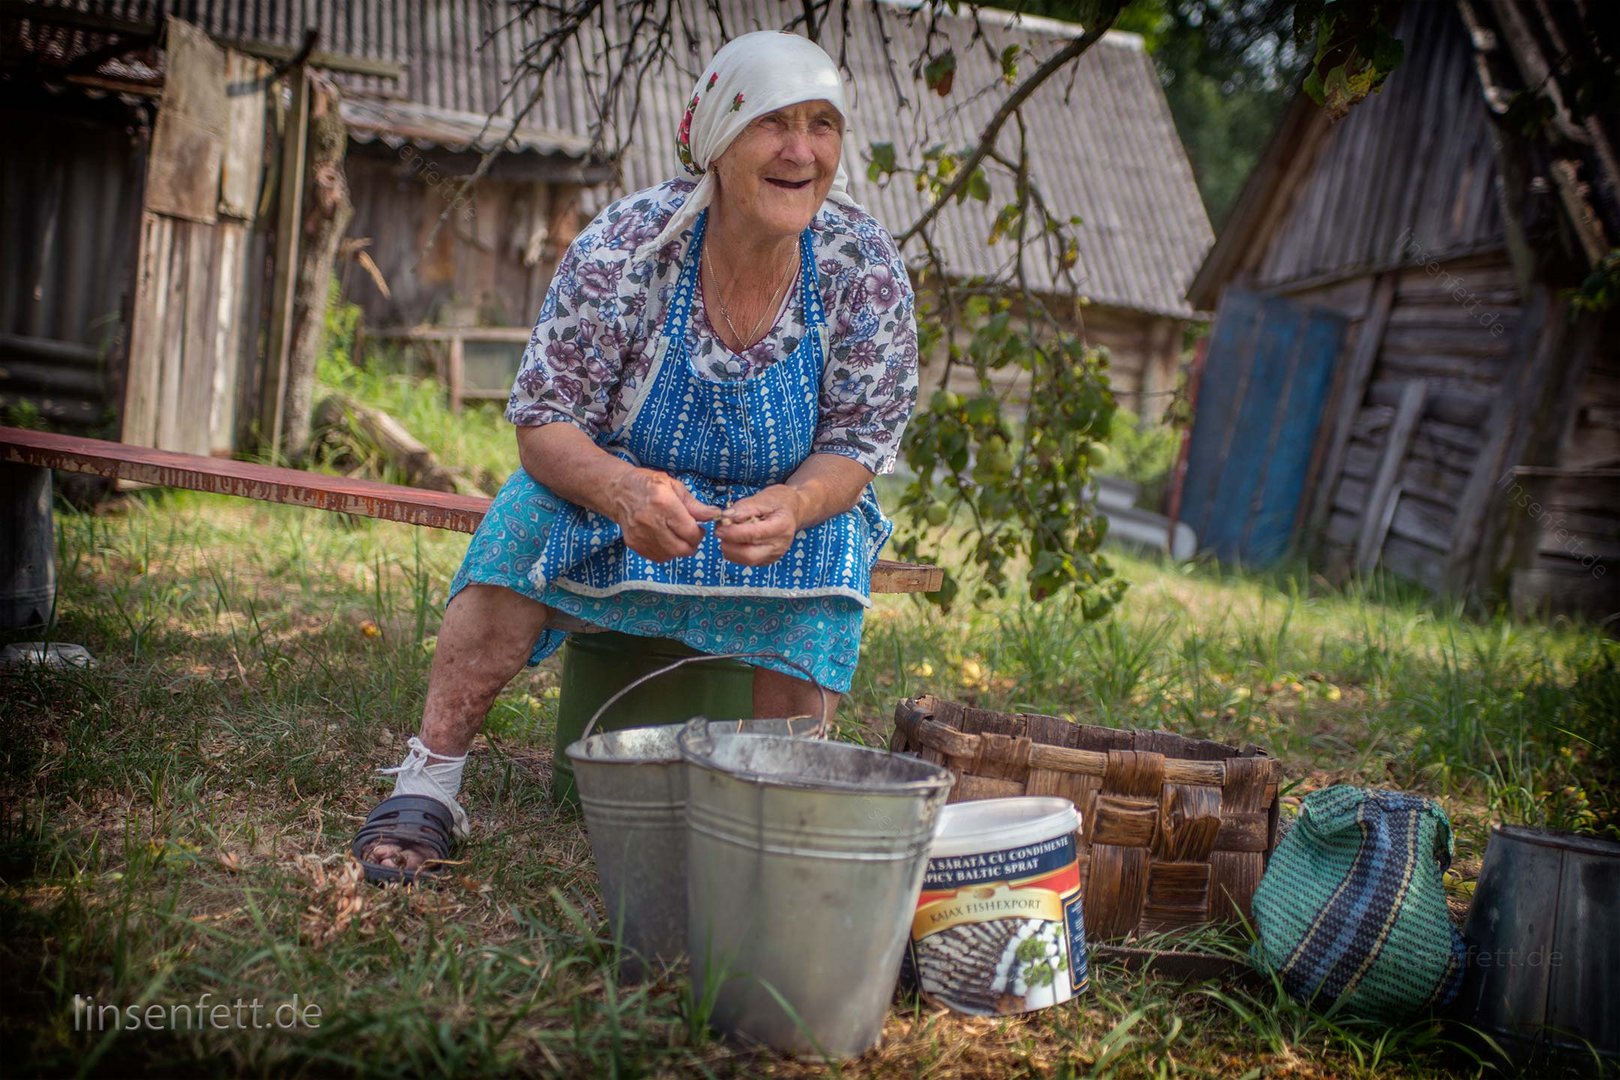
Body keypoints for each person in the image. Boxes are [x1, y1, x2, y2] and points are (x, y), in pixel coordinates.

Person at [351, 30, 919, 883]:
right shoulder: (629, 246)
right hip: (617, 494)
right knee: (520, 525)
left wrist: (798, 504)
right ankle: (430, 782)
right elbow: (544, 419)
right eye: (774, 125)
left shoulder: (861, 265)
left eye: (822, 125)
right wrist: (621, 492)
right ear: (720, 141)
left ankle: (764, 816)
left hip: (773, 511)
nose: (802, 152)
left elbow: (859, 440)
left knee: (834, 549)